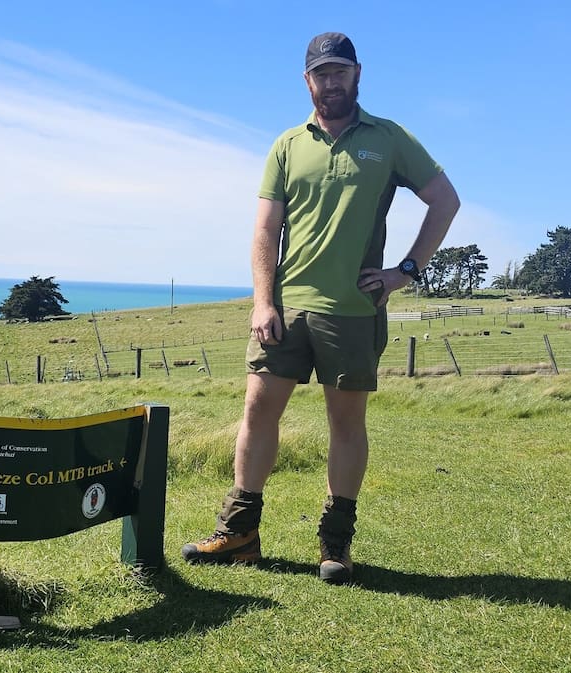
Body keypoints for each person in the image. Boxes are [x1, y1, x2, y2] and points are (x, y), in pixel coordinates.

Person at [180, 32, 461, 584]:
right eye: (321, 74)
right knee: (258, 415)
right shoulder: (287, 145)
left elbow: (445, 201)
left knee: (345, 423)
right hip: (284, 309)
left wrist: (406, 271)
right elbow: (265, 228)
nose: (331, 82)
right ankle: (240, 534)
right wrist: (263, 302)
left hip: (353, 310)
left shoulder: (390, 139)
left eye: (340, 72)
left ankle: (336, 545)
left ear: (358, 74)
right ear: (307, 81)